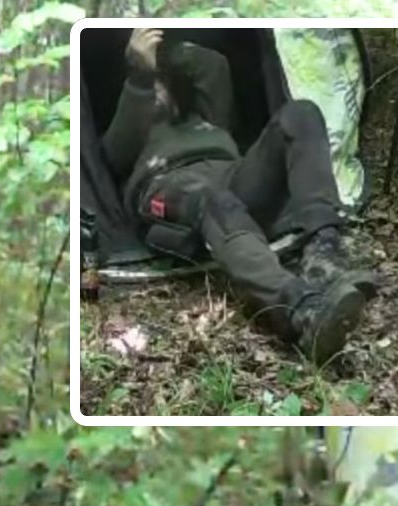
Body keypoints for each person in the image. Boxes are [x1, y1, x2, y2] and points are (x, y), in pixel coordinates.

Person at [101, 27, 377, 365]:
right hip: (168, 187)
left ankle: (324, 258)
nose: (155, 87)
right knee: (211, 199)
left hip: (232, 174)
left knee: (301, 114)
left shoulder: (205, 117)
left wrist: (165, 50)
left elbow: (214, 65)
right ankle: (301, 312)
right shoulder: (130, 129)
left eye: (160, 81)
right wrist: (140, 77)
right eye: (149, 85)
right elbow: (114, 157)